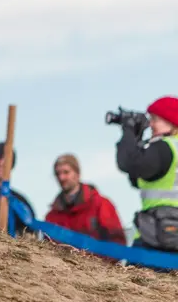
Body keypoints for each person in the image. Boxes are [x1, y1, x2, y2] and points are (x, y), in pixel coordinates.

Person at [116, 96, 178, 252]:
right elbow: (138, 178)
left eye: (155, 119)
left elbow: (129, 163)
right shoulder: (172, 148)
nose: (150, 124)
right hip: (163, 232)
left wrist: (129, 131)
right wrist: (136, 142)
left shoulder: (165, 148)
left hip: (162, 236)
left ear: (171, 121)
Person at [44, 153, 126, 245]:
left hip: (95, 259)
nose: (61, 177)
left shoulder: (101, 205)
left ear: (77, 174)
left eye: (66, 172)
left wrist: (98, 259)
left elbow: (118, 243)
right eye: (57, 173)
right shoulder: (52, 216)